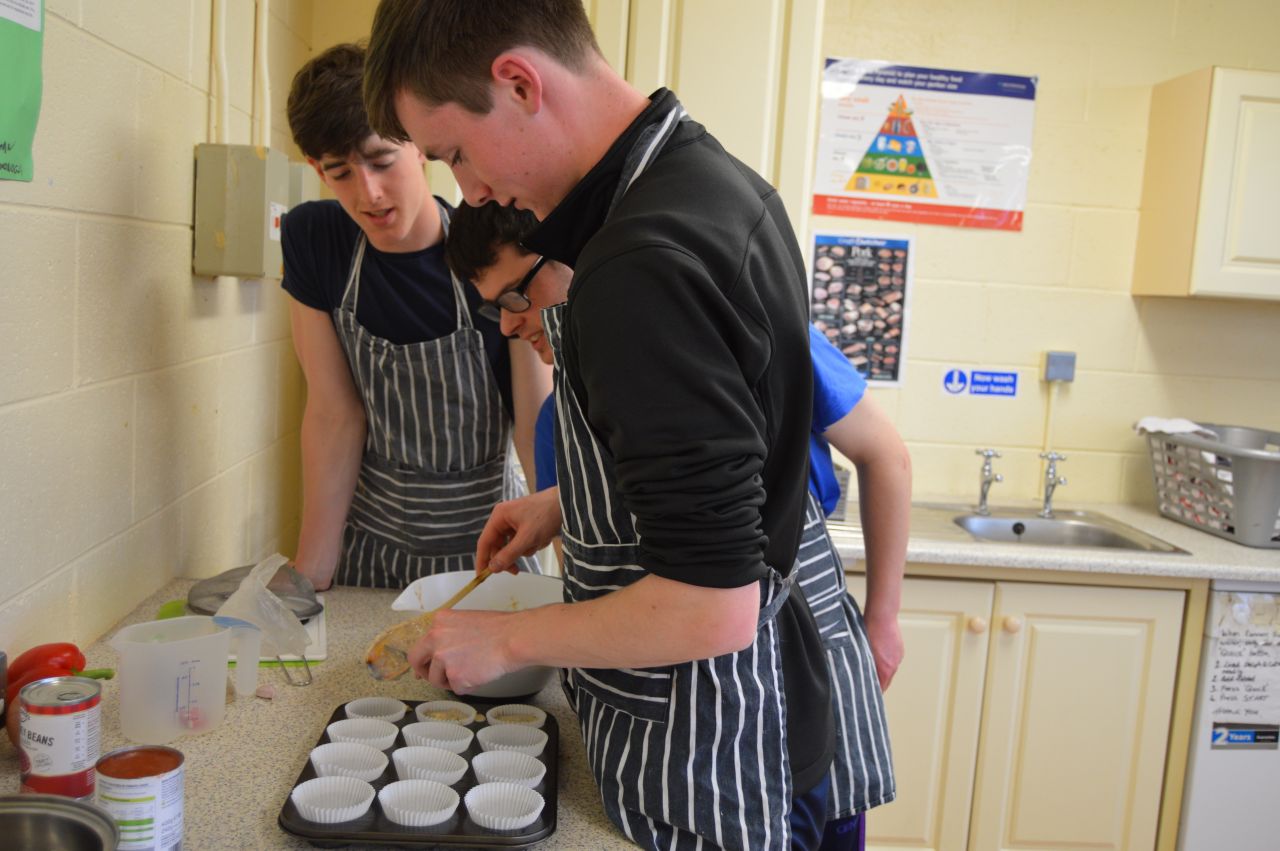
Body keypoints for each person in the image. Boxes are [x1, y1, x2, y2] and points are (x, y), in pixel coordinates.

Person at [366, 2, 835, 848]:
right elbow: (725, 457)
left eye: (456, 155)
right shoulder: (710, 178)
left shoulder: (638, 261)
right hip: (762, 725)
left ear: (518, 82)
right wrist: (563, 504)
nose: (469, 193)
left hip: (712, 759)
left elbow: (711, 604)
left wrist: (503, 638)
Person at [446, 201, 909, 849]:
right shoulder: (564, 412)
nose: (510, 324)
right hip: (682, 725)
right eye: (494, 306)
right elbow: (654, 513)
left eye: (519, 294)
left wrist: (883, 617)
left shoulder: (731, 322)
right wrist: (559, 503)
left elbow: (884, 453)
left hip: (792, 679)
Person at [281, 43, 550, 590]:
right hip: (370, 548)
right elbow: (335, 413)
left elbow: (534, 421)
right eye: (340, 173)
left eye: (381, 161)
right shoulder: (315, 240)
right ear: (316, 168)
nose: (369, 195)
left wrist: (568, 569)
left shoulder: (491, 251)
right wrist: (312, 573)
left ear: (419, 143)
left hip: (488, 553)